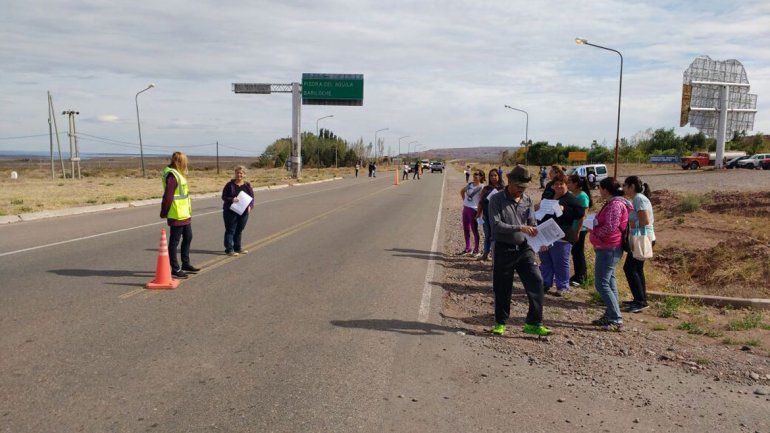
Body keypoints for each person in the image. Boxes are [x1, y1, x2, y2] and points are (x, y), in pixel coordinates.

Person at [488, 166, 552, 336]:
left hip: (525, 249)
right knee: (502, 287)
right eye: (518, 186)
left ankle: (534, 323)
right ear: (509, 182)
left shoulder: (527, 200)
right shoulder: (496, 199)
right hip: (503, 249)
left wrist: (541, 239)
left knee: (537, 282)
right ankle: (500, 322)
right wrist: (520, 227)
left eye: (524, 187)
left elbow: (532, 223)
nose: (521, 190)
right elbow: (496, 225)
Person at [587, 177, 632, 331]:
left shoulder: (615, 205)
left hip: (609, 247)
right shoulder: (614, 203)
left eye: (600, 188)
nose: (599, 190)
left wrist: (595, 232)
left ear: (605, 189)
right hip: (608, 246)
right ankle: (610, 314)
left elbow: (611, 226)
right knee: (609, 282)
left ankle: (615, 319)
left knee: (601, 283)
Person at [537, 173, 585, 296]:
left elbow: (580, 213)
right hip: (545, 234)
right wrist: (538, 207)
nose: (558, 186)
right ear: (552, 186)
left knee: (560, 262)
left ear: (566, 185)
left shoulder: (571, 199)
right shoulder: (549, 197)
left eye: (561, 184)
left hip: (561, 236)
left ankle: (562, 287)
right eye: (556, 184)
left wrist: (565, 209)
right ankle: (546, 283)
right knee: (545, 260)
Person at [159, 151, 199, 279]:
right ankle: (175, 268)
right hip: (176, 213)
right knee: (174, 242)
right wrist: (164, 211)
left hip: (184, 213)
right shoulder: (172, 175)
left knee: (188, 237)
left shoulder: (179, 173)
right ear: (179, 162)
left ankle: (185, 263)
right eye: (184, 162)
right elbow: (168, 196)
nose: (185, 164)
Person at [622, 176, 655, 313]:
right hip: (641, 237)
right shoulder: (637, 199)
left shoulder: (639, 199)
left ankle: (640, 301)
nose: (623, 188)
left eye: (625, 185)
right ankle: (640, 299)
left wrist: (632, 223)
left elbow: (645, 220)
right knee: (636, 269)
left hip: (642, 238)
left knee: (630, 268)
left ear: (632, 186)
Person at [221, 165, 255, 256]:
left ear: (244, 174)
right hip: (230, 211)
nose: (239, 175)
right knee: (230, 230)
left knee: (239, 230)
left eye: (241, 173)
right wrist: (231, 199)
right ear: (235, 174)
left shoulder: (247, 186)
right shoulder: (229, 185)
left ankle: (238, 248)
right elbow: (223, 197)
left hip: (243, 212)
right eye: (237, 173)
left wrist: (250, 206)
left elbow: (252, 198)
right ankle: (229, 249)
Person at [568, 174, 593, 287]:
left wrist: (577, 231)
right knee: (575, 252)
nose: (568, 184)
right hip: (573, 227)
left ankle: (581, 276)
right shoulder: (573, 195)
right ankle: (577, 275)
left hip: (580, 228)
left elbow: (583, 215)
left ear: (576, 184)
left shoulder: (582, 196)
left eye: (570, 182)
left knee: (578, 252)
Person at [476, 168, 506, 261]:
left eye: (495, 175)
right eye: (491, 176)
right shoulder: (486, 189)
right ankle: (485, 254)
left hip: (499, 217)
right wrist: (478, 214)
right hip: (486, 216)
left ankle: (496, 256)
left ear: (499, 176)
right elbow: (481, 202)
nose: (493, 177)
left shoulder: (504, 189)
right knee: (487, 235)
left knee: (497, 236)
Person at [458, 170, 485, 257]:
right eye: (474, 174)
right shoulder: (470, 184)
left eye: (477, 174)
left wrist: (479, 212)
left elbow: (482, 201)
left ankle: (476, 250)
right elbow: (462, 191)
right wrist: (465, 201)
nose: (475, 176)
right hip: (466, 208)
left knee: (474, 230)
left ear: (481, 176)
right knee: (466, 229)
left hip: (474, 210)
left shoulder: (482, 187)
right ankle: (468, 248)